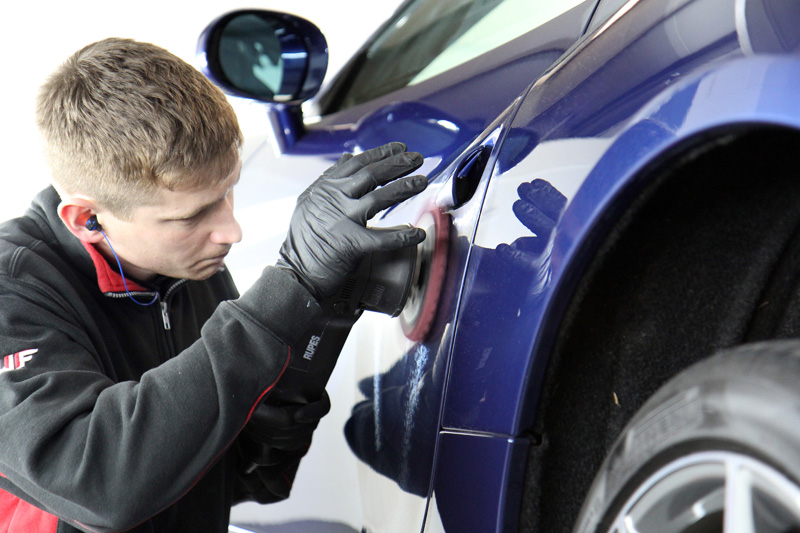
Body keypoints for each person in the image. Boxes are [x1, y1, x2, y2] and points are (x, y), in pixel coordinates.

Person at [0, 37, 427, 532]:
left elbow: (248, 478)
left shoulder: (183, 267)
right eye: (193, 215)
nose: (231, 231)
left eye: (227, 192)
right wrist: (289, 286)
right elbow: (99, 487)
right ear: (87, 219)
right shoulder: (13, 296)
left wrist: (318, 318)